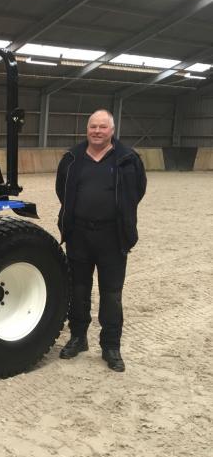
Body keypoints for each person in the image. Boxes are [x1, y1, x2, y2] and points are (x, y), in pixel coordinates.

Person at [55, 109, 146, 372]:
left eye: (102, 127)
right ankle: (78, 338)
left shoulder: (128, 159)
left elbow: (137, 190)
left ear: (112, 130)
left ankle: (110, 346)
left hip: (112, 236)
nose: (97, 131)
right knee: (79, 289)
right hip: (79, 235)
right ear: (87, 129)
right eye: (93, 126)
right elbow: (62, 190)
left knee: (111, 294)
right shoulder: (72, 158)